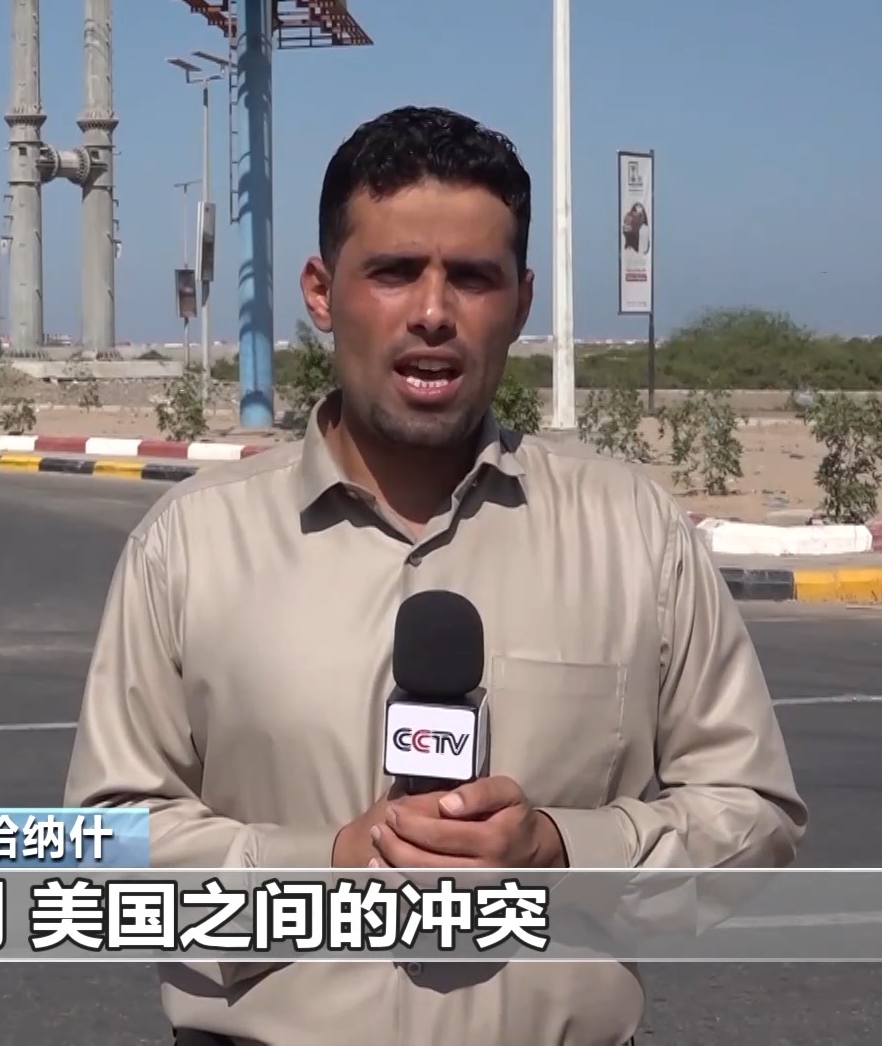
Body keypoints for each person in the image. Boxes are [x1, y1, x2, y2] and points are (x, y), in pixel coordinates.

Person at [62, 106, 807, 1046]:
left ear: (521, 302)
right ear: (322, 292)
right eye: (393, 271)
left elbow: (753, 816)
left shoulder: (635, 534)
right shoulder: (190, 545)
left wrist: (561, 850)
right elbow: (108, 851)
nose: (432, 312)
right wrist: (325, 866)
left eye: (472, 277)